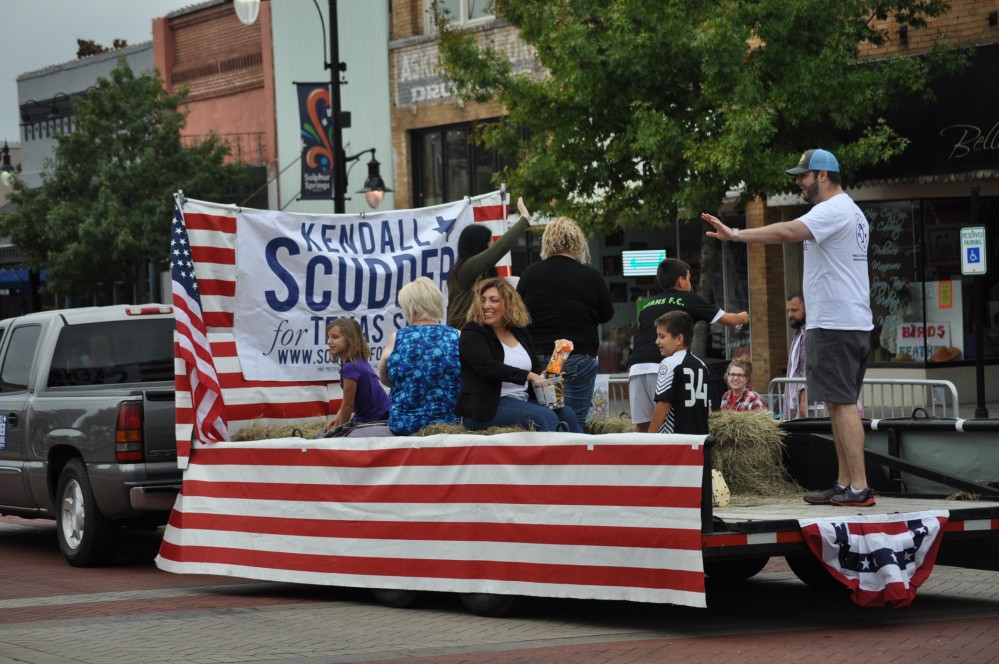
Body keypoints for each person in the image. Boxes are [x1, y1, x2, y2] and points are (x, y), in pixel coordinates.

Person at [703, 148, 875, 508]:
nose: (798, 181)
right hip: (849, 322)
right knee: (837, 403)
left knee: (842, 405)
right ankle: (845, 483)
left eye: (803, 175)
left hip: (836, 324)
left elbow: (784, 232)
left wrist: (735, 233)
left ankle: (857, 486)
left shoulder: (832, 210)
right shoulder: (852, 211)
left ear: (823, 175)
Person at [516, 208, 614, 426]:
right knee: (575, 418)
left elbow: (518, 316)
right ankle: (574, 457)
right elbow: (607, 314)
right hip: (578, 354)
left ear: (547, 242)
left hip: (539, 356)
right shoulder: (590, 275)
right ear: (577, 243)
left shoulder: (530, 274)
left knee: (544, 419)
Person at [629, 258, 749, 432]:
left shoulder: (648, 305)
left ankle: (644, 454)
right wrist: (744, 317)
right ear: (681, 280)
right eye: (689, 278)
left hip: (636, 367)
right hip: (663, 365)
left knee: (642, 422)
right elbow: (729, 319)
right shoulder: (689, 299)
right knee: (664, 423)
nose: (690, 283)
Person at [456, 277, 581, 433]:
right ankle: (553, 458)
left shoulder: (519, 331)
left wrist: (546, 376)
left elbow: (534, 367)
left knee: (567, 414)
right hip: (485, 407)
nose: (486, 305)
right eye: (482, 300)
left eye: (494, 300)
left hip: (522, 400)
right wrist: (529, 376)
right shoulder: (472, 332)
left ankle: (576, 457)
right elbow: (488, 367)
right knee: (546, 417)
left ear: (508, 304)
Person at [379, 277, 461, 435]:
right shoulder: (457, 336)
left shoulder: (397, 338)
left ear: (410, 307)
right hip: (449, 422)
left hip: (404, 423)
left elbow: (384, 377)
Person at [447, 197, 538, 329]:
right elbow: (501, 248)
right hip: (463, 338)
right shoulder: (466, 269)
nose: (493, 244)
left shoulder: (481, 272)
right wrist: (524, 219)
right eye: (490, 241)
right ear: (479, 245)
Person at [647, 311, 710, 435]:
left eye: (662, 336)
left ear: (679, 339)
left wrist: (649, 437)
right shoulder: (702, 365)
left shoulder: (669, 363)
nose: (657, 341)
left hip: (676, 441)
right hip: (700, 440)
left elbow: (664, 403)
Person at [323, 318, 391, 433]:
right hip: (380, 413)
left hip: (376, 418)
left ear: (350, 340)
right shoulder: (357, 361)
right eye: (328, 337)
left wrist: (339, 431)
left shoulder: (351, 367)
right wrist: (336, 419)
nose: (329, 341)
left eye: (335, 337)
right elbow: (347, 402)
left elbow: (348, 406)